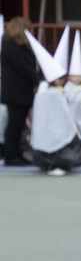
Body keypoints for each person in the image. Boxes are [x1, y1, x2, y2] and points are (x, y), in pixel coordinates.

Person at [26, 28, 81, 173]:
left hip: (58, 127)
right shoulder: (48, 91)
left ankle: (58, 164)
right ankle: (52, 164)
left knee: (60, 143)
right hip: (49, 126)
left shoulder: (51, 90)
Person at [1, 14, 38, 164]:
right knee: (14, 124)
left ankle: (18, 153)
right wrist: (36, 80)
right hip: (15, 92)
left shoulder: (20, 46)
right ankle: (11, 155)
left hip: (22, 91)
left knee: (20, 123)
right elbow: (23, 67)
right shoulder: (10, 47)